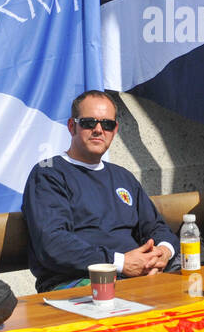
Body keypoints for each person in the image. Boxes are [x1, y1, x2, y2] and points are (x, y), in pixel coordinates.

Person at [23, 91, 179, 293]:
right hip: (78, 282)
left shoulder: (123, 177)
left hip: (137, 279)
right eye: (89, 123)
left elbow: (157, 227)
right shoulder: (48, 173)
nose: (98, 130)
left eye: (107, 124)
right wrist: (121, 263)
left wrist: (163, 251)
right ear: (72, 126)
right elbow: (53, 243)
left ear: (115, 130)